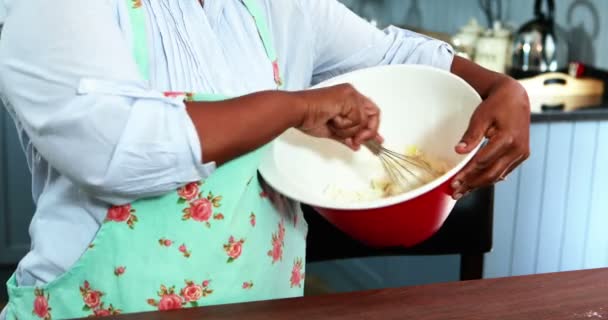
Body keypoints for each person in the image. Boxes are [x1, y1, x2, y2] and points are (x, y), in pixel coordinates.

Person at [0, 0, 530, 318]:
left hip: (265, 304)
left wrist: (499, 87)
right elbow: (115, 150)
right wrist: (294, 107)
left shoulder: (274, 5)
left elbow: (393, 54)